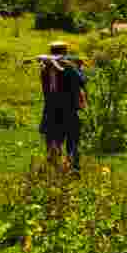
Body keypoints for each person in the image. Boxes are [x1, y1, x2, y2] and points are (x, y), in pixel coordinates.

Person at [38, 41, 87, 170]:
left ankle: (54, 170)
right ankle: (73, 169)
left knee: (53, 142)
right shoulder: (69, 68)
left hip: (51, 110)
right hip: (68, 110)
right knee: (73, 142)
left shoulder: (45, 68)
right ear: (65, 52)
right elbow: (82, 81)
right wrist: (80, 69)